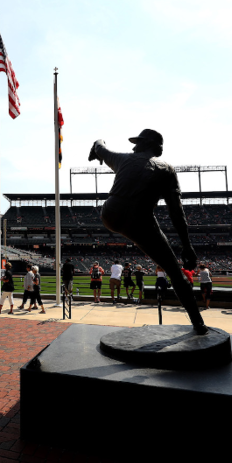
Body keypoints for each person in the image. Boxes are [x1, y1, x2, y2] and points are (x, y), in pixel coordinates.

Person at [89, 130, 208, 334]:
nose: (133, 147)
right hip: (139, 219)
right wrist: (187, 246)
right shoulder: (166, 169)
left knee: (172, 269)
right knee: (176, 274)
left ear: (145, 144)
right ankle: (198, 323)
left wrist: (96, 149)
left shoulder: (122, 158)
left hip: (110, 213)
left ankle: (198, 323)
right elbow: (176, 212)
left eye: (137, 143)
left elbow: (100, 145)